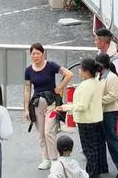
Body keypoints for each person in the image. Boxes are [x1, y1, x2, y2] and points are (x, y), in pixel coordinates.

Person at [23, 43, 72, 171]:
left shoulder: (51, 66)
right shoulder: (28, 70)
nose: (35, 56)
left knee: (49, 131)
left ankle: (54, 159)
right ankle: (46, 159)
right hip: (37, 104)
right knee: (41, 134)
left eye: (38, 53)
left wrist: (60, 87)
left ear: (43, 53)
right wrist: (26, 109)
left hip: (52, 103)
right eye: (33, 54)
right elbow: (27, 89)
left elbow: (69, 74)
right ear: (30, 55)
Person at [59, 58, 105, 178]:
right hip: (96, 118)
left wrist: (66, 107)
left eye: (80, 68)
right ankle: (96, 172)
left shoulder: (86, 85)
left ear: (86, 71)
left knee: (89, 150)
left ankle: (91, 174)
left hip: (87, 121)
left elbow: (82, 106)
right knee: (96, 148)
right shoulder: (96, 82)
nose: (79, 70)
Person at [95, 53, 118, 178]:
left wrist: (97, 100)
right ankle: (103, 166)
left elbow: (113, 96)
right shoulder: (100, 76)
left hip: (109, 112)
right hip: (101, 111)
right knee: (101, 140)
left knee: (112, 140)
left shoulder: (112, 77)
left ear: (102, 65)